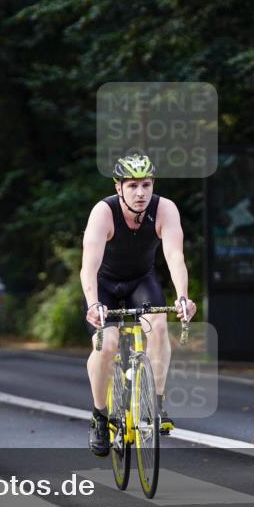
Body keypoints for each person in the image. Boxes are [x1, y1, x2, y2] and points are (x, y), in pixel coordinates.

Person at [80, 152, 197, 457]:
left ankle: (156, 402)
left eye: (146, 184)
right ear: (118, 187)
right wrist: (93, 304)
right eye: (132, 185)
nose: (141, 192)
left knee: (158, 327)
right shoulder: (103, 212)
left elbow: (175, 257)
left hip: (140, 282)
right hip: (104, 286)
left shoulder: (165, 209)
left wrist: (182, 297)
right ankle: (100, 417)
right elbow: (88, 266)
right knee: (106, 345)